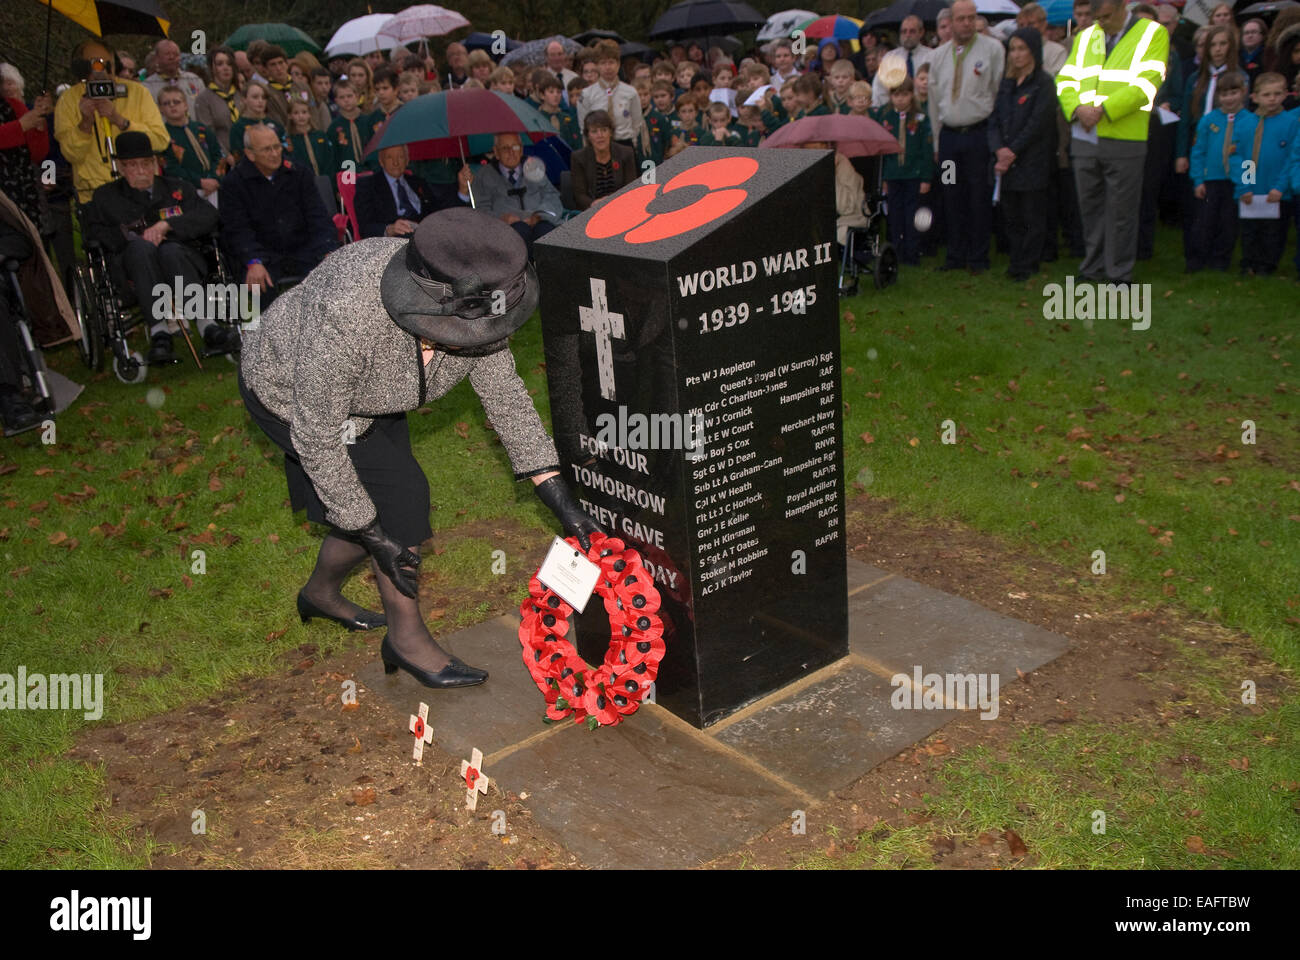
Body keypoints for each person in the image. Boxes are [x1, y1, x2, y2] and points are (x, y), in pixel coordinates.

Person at [238, 207, 601, 687]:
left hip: (377, 393)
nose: (478, 339)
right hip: (290, 391)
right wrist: (372, 533)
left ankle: (322, 594)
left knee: (393, 504)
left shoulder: (477, 292)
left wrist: (558, 498)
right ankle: (405, 638)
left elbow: (507, 399)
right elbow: (317, 432)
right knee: (395, 504)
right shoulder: (349, 315)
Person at [83, 130, 237, 363]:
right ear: (122, 168)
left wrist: (167, 225)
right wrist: (131, 236)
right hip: (135, 269)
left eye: (146, 163)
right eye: (133, 165)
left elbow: (208, 215)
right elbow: (94, 233)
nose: (142, 170)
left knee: (170, 250)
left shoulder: (177, 188)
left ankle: (207, 324)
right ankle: (159, 331)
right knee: (142, 249)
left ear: (155, 163)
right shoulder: (106, 197)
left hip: (181, 260)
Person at [1056, 0, 1170, 283]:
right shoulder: (1085, 36)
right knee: (1090, 207)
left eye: (1106, 16)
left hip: (1125, 136)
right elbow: (1065, 80)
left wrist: (1104, 110)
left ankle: (1119, 273)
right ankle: (1092, 267)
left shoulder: (1152, 33)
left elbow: (1147, 83)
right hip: (1085, 136)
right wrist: (1076, 110)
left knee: (1122, 211)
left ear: (1122, 7)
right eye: (1097, 17)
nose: (1100, 22)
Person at [928, 0, 1006, 274]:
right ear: (951, 20)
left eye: (971, 18)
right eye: (961, 18)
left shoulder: (993, 49)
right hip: (949, 140)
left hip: (978, 136)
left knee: (978, 196)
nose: (966, 23)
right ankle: (955, 255)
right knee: (951, 194)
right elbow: (933, 102)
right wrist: (937, 143)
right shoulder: (938, 56)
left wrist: (996, 138)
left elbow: (998, 91)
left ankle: (978, 257)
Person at [220, 123, 338, 294]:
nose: (275, 154)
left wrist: (327, 251)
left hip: (304, 250)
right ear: (250, 154)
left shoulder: (299, 173)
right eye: (267, 149)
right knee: (262, 291)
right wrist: (253, 261)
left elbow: (318, 216)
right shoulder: (234, 183)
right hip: (263, 256)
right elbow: (237, 230)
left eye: (277, 147)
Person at [54, 41, 169, 203]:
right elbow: (71, 154)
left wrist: (120, 121)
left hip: (140, 191)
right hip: (93, 196)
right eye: (94, 64)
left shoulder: (137, 92)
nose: (100, 70)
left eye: (106, 64)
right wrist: (85, 123)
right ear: (81, 68)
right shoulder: (68, 100)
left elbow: (160, 141)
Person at [989, 28, 1057, 281]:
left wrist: (1012, 151)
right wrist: (999, 149)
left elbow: (1037, 124)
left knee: (1032, 215)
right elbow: (994, 119)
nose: (1016, 55)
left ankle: (1029, 263)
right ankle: (1016, 259)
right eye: (1013, 49)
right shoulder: (1006, 83)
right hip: (1006, 162)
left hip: (1031, 160)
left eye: (1022, 49)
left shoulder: (1044, 83)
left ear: (1033, 52)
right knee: (1011, 215)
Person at [1233, 73, 1294, 275]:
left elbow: (1292, 158)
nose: (1272, 99)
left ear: (1286, 94)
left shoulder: (1292, 123)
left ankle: (1267, 266)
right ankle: (1249, 262)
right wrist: (1246, 186)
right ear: (1255, 97)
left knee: (1274, 232)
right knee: (1250, 230)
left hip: (1277, 190)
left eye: (1277, 94)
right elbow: (1242, 157)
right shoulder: (1246, 124)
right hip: (1252, 189)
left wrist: (1279, 187)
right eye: (1266, 94)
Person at [873, 77, 935, 265]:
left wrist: (926, 177)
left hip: (913, 174)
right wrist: (882, 177)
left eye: (905, 95)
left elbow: (926, 150)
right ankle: (895, 252)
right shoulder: (885, 117)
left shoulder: (921, 118)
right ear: (891, 96)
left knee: (912, 215)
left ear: (911, 95)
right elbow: (880, 150)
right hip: (892, 174)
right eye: (896, 95)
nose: (900, 99)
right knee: (894, 215)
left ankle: (912, 252)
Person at [471, 132, 563, 255]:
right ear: (496, 152)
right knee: (519, 233)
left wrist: (540, 215)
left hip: (539, 221)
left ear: (521, 149)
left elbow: (552, 196)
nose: (511, 152)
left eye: (515, 147)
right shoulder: (484, 175)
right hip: (506, 229)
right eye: (505, 148)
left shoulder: (533, 167)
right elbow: (480, 210)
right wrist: (501, 219)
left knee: (546, 233)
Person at [355, 143, 471, 237]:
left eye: (400, 157)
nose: (395, 162)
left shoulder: (417, 182)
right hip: (393, 242)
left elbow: (440, 211)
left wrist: (463, 190)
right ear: (381, 161)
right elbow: (365, 227)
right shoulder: (368, 184)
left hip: (425, 235)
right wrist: (389, 229)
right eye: (389, 157)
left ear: (407, 160)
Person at [0, 66, 51, 231]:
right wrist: (20, 126)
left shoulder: (16, 107)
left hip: (22, 194)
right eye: (5, 83)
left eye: (10, 83)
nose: (8, 88)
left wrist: (39, 124)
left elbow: (38, 153)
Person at [158, 85, 223, 202]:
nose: (172, 105)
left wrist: (215, 178)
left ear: (186, 105)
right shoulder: (162, 135)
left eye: (176, 102)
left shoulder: (202, 129)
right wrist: (199, 182)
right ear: (160, 109)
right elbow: (170, 168)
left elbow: (218, 156)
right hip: (184, 190)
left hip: (213, 187)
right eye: (166, 103)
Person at [578, 40, 641, 150]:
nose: (608, 67)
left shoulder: (630, 92)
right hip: (598, 147)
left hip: (624, 144)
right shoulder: (587, 94)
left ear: (618, 64)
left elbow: (636, 123)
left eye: (611, 62)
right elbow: (583, 126)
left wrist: (633, 143)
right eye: (603, 63)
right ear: (597, 66)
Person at [570, 110, 635, 210]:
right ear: (588, 136)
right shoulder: (579, 158)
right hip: (592, 210)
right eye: (594, 131)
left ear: (610, 132)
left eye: (604, 130)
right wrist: (594, 204)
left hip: (622, 206)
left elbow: (630, 188)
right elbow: (579, 195)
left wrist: (611, 200)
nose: (600, 135)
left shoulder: (626, 153)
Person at [874, 16, 935, 106]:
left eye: (912, 31)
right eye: (904, 31)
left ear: (921, 32)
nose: (907, 35)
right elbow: (879, 88)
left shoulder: (932, 56)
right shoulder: (890, 57)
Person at [194, 45, 241, 156]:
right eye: (220, 64)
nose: (226, 68)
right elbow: (207, 133)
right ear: (211, 68)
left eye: (229, 64)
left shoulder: (241, 94)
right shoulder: (204, 98)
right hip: (222, 156)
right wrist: (226, 155)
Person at [327, 79, 378, 174]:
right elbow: (333, 157)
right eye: (342, 97)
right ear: (336, 101)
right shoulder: (334, 127)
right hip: (347, 173)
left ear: (357, 97)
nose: (346, 100)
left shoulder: (369, 121)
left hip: (370, 170)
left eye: (349, 96)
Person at [142, 39, 204, 113]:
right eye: (167, 54)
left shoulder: (194, 80)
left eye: (175, 54)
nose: (171, 57)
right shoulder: (147, 87)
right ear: (157, 58)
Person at [228, 82, 284, 162]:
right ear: (244, 99)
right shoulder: (238, 128)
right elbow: (239, 158)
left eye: (263, 97)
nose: (260, 101)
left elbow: (287, 151)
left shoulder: (276, 125)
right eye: (255, 97)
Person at [262, 46, 311, 132]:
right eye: (273, 65)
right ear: (266, 69)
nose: (278, 68)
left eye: (281, 63)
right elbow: (275, 120)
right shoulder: (266, 93)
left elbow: (312, 110)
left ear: (287, 64)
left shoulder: (303, 87)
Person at [284, 99, 333, 178]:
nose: (301, 116)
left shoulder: (320, 135)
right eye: (296, 113)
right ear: (290, 116)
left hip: (325, 179)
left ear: (309, 114)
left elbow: (330, 159)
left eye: (304, 112)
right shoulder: (288, 140)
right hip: (302, 182)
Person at [1018, 4, 1069, 76]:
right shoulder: (1013, 52)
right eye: (1021, 25)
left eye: (1031, 24)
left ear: (1043, 25)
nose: (1025, 28)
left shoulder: (1057, 51)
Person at [1241, 19, 1268, 89]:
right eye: (1246, 33)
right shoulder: (1236, 56)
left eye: (1254, 32)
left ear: (1262, 35)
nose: (1250, 35)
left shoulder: (1268, 55)